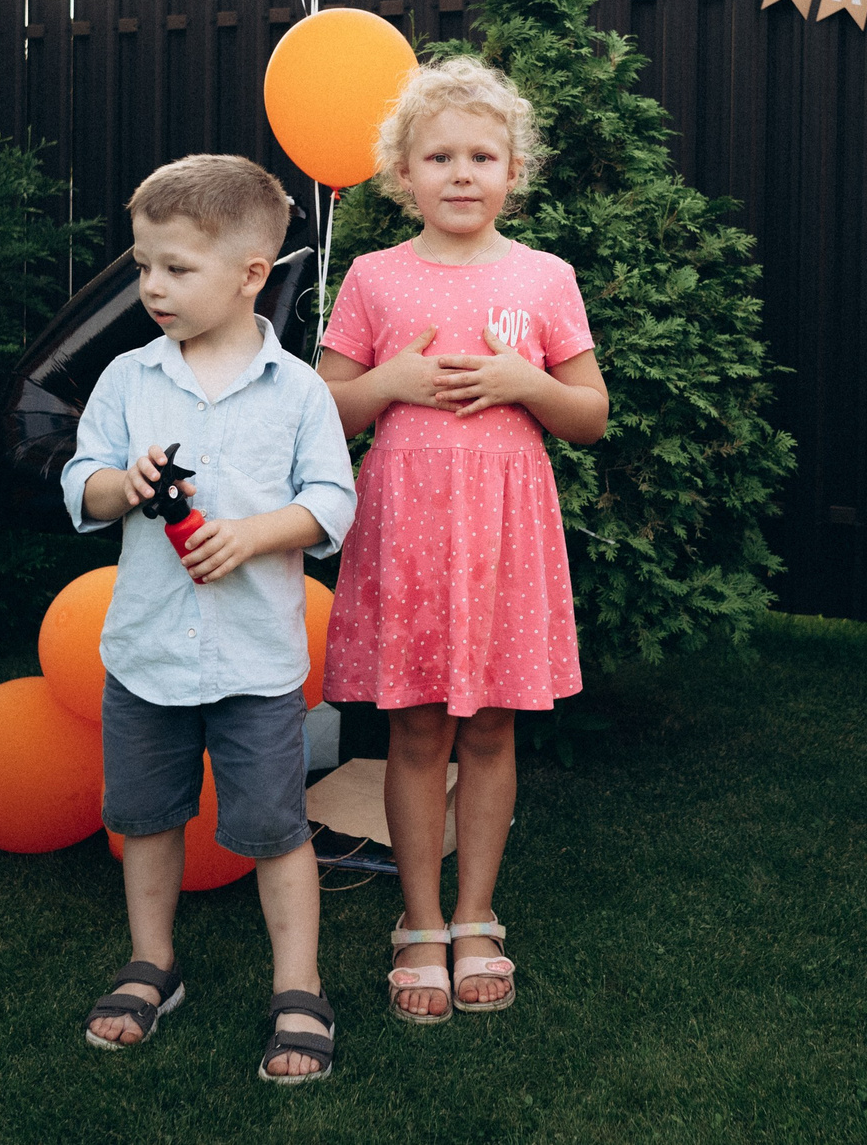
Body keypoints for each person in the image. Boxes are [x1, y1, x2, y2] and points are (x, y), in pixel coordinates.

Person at [317, 57, 610, 1024]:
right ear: (403, 173)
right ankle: (418, 922)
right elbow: (324, 410)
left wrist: (527, 384)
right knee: (415, 725)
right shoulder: (373, 276)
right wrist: (389, 382)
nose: (461, 172)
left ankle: (477, 915)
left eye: (482, 155)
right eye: (438, 155)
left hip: (504, 537)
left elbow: (590, 414)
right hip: (407, 531)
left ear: (513, 170)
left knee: (491, 725)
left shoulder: (545, 277)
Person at [61, 154, 356, 1084]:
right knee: (146, 819)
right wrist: (124, 484)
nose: (153, 285)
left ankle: (298, 985)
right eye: (145, 263)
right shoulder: (125, 379)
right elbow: (83, 480)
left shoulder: (300, 391)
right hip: (145, 654)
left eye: (177, 268)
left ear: (251, 274)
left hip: (256, 663)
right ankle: (154, 963)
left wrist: (257, 534)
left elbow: (331, 503)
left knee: (276, 825)